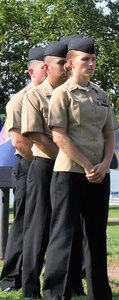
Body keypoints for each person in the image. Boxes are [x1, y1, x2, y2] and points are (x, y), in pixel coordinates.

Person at [43, 36, 114, 300]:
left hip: (98, 173)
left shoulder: (101, 95)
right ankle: (55, 294)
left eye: (94, 59)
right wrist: (87, 165)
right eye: (86, 59)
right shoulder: (62, 94)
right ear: (71, 64)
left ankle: (99, 293)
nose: (91, 63)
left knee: (96, 236)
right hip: (70, 173)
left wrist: (105, 164)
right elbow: (59, 136)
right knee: (63, 233)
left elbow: (109, 135)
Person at [20, 40, 77, 299]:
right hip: (45, 166)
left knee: (69, 227)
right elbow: (36, 136)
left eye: (68, 62)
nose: (65, 67)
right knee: (38, 228)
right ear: (46, 66)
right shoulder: (34, 95)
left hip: (69, 170)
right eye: (59, 63)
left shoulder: (74, 92)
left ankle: (71, 283)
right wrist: (67, 155)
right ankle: (30, 286)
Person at [0, 46, 46, 292]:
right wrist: (42, 162)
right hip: (28, 165)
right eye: (44, 68)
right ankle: (11, 278)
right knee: (24, 222)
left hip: (47, 166)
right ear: (32, 71)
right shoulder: (20, 99)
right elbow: (18, 141)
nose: (49, 71)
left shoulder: (54, 96)